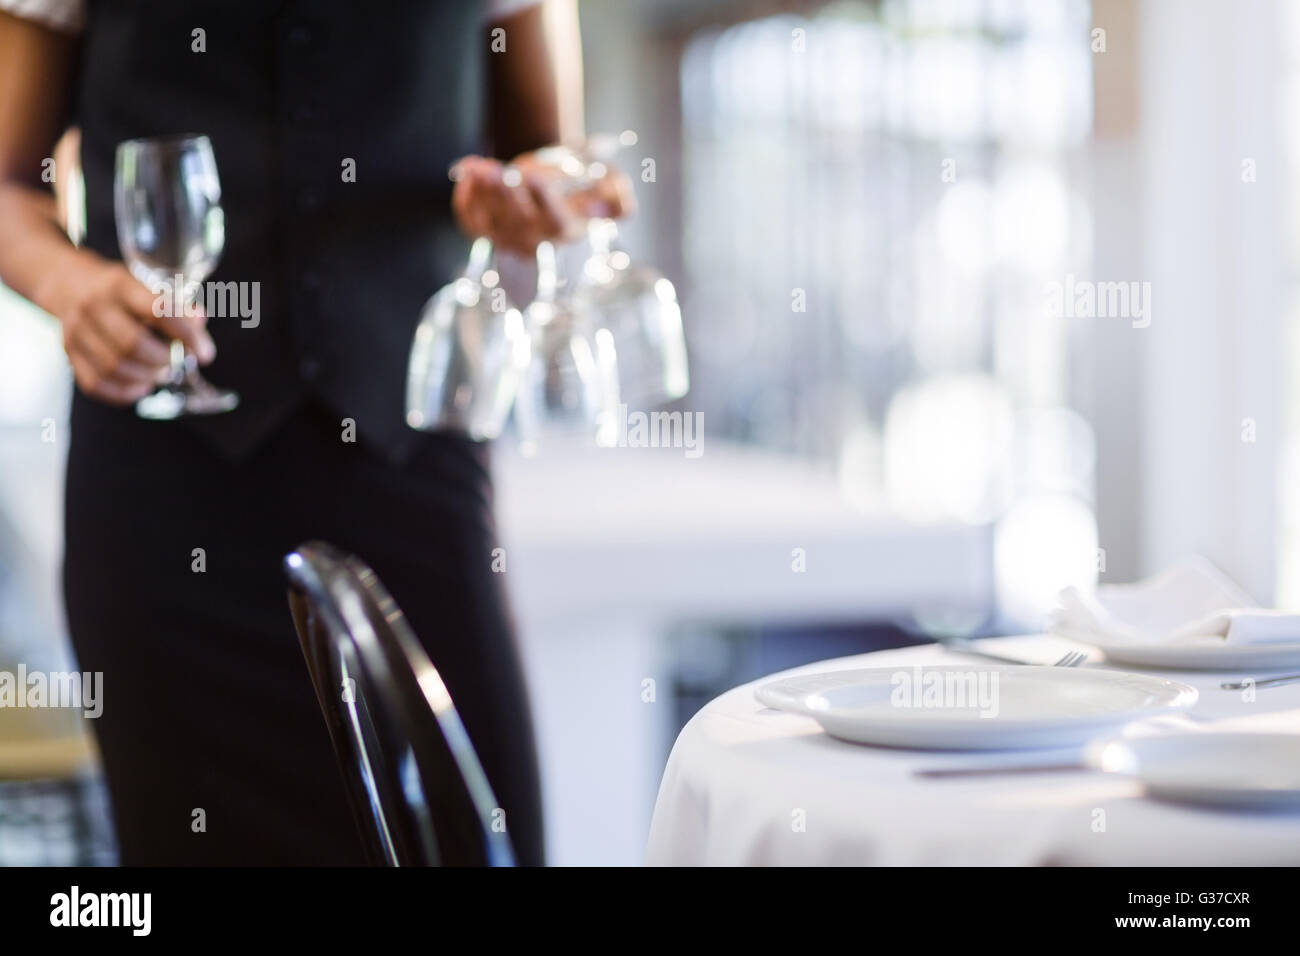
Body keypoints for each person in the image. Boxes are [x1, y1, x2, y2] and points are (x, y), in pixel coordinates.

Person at [0, 0, 629, 865]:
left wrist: (541, 200)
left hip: (412, 453)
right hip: (163, 485)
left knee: (469, 836)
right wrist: (74, 288)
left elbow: (554, 154)